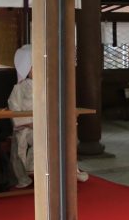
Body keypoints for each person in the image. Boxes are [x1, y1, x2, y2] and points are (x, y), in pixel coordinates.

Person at [8, 44, 88, 188]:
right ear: (25, 68)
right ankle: (30, 173)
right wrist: (28, 122)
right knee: (41, 139)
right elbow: (14, 108)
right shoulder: (18, 88)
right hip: (27, 128)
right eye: (33, 66)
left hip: (47, 124)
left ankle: (66, 172)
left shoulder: (48, 85)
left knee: (66, 138)